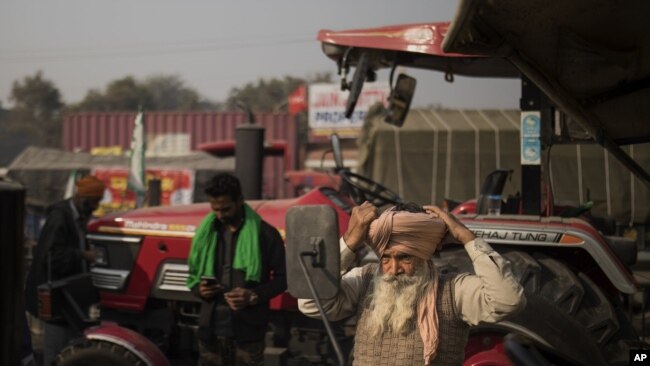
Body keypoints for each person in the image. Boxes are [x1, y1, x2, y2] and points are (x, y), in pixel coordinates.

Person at [299, 201, 526, 365]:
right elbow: (309, 302)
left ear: (424, 256)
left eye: (405, 258)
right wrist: (349, 243)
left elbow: (509, 300)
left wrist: (466, 237)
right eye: (385, 258)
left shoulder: (453, 291)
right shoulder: (365, 279)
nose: (393, 270)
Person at [187, 173, 287, 366]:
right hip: (210, 331)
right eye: (215, 209)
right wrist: (200, 290)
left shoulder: (265, 234)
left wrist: (253, 295)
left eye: (226, 209)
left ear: (240, 200)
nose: (220, 215)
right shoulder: (206, 233)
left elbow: (284, 278)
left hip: (248, 333)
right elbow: (192, 277)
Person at [24, 174, 105, 366]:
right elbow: (52, 256)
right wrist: (84, 255)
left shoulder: (80, 219)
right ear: (83, 198)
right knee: (55, 352)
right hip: (56, 299)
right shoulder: (60, 216)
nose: (95, 207)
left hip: (71, 299)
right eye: (93, 201)